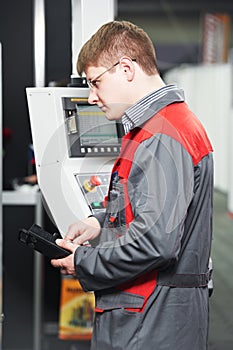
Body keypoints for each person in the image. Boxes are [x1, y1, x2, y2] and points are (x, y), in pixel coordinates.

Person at [51, 20, 213, 350]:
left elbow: (156, 243)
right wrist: (98, 223)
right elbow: (145, 208)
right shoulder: (164, 125)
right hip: (156, 317)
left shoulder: (161, 136)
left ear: (126, 69)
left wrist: (83, 261)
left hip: (151, 322)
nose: (93, 97)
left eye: (95, 83)